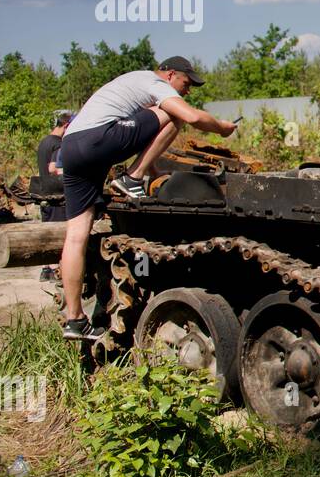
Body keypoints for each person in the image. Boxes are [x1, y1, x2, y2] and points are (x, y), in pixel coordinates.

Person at [58, 57, 237, 342]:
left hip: (70, 147)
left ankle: (75, 320)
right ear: (170, 74)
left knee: (76, 236)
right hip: (96, 140)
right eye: (185, 83)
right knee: (176, 114)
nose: (186, 90)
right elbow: (190, 117)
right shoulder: (153, 82)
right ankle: (132, 177)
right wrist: (222, 128)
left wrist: (155, 172)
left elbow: (141, 132)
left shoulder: (129, 85)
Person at [35, 111, 73, 223]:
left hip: (45, 196)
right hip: (58, 199)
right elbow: (53, 169)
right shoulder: (59, 144)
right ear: (66, 125)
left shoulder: (44, 142)